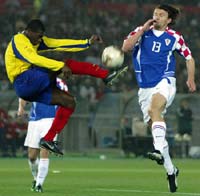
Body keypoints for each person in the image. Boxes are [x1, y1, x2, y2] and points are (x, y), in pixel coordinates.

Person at [5, 19, 128, 155]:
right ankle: (105, 75)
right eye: (38, 36)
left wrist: (87, 42)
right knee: (63, 63)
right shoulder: (19, 40)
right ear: (29, 32)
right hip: (23, 81)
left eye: (42, 36)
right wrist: (60, 66)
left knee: (69, 102)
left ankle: (48, 139)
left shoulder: (37, 40)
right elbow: (33, 58)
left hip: (32, 87)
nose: (40, 39)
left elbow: (59, 44)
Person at [122, 4, 196, 193]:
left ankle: (157, 150)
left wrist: (190, 78)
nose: (157, 17)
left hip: (165, 81)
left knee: (155, 109)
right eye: (155, 14)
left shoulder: (174, 37)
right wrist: (142, 30)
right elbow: (126, 47)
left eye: (161, 15)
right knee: (154, 121)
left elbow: (189, 57)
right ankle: (171, 170)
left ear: (168, 20)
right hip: (144, 88)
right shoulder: (141, 31)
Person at [17, 78, 68, 193]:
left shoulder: (59, 83)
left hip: (51, 120)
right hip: (35, 121)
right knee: (32, 156)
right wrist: (21, 107)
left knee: (44, 150)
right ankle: (35, 179)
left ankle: (39, 184)